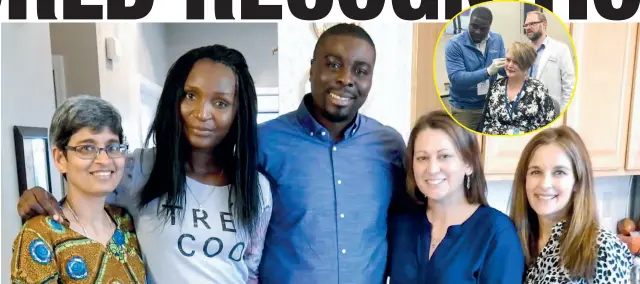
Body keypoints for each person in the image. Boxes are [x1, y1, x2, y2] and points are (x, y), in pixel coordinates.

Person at [16, 45, 272, 284]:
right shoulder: (137, 169)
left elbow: (250, 271)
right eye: (190, 95)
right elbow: (86, 189)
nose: (202, 114)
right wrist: (39, 196)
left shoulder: (256, 188)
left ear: (239, 111)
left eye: (221, 102)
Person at [257, 24, 407, 283]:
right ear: (312, 68)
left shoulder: (389, 146)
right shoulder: (262, 141)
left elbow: (406, 227)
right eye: (333, 64)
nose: (346, 79)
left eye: (360, 71)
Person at [11, 95, 146, 283]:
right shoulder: (40, 235)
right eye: (87, 148)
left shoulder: (125, 222)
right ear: (60, 159)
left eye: (112, 146)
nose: (104, 160)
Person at [387, 110, 525, 283]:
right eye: (422, 158)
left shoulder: (496, 232)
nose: (432, 168)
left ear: (468, 164)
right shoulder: (401, 226)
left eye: (444, 156)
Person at [509, 126, 633, 283]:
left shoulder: (602, 249)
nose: (545, 184)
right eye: (536, 172)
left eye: (559, 172)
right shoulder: (514, 242)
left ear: (577, 182)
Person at [445, 6, 506, 130]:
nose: (477, 31)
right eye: (474, 26)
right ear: (469, 22)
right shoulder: (455, 44)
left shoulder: (497, 39)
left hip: (491, 106)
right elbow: (457, 78)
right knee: (463, 146)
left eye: (483, 29)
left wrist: (514, 66)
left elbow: (501, 70)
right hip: (465, 110)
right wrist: (488, 71)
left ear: (489, 27)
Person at [481, 41, 556, 135]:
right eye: (508, 60)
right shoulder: (495, 87)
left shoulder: (538, 89)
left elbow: (548, 126)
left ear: (526, 66)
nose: (510, 65)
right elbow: (486, 123)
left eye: (516, 62)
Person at [524, 10, 576, 114]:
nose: (528, 28)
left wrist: (562, 112)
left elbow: (569, 85)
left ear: (544, 24)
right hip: (526, 109)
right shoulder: (524, 49)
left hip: (550, 110)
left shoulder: (560, 49)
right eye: (526, 25)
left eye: (532, 24)